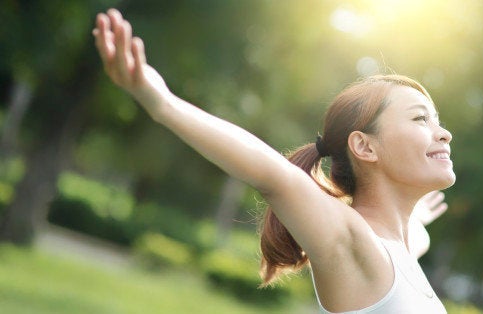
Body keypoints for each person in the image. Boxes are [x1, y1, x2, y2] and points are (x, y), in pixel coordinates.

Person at [93, 8, 455, 313]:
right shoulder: (354, 242)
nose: (443, 133)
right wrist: (163, 104)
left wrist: (413, 217)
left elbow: (412, 239)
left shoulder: (401, 249)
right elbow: (271, 172)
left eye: (438, 120)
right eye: (421, 119)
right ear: (364, 147)